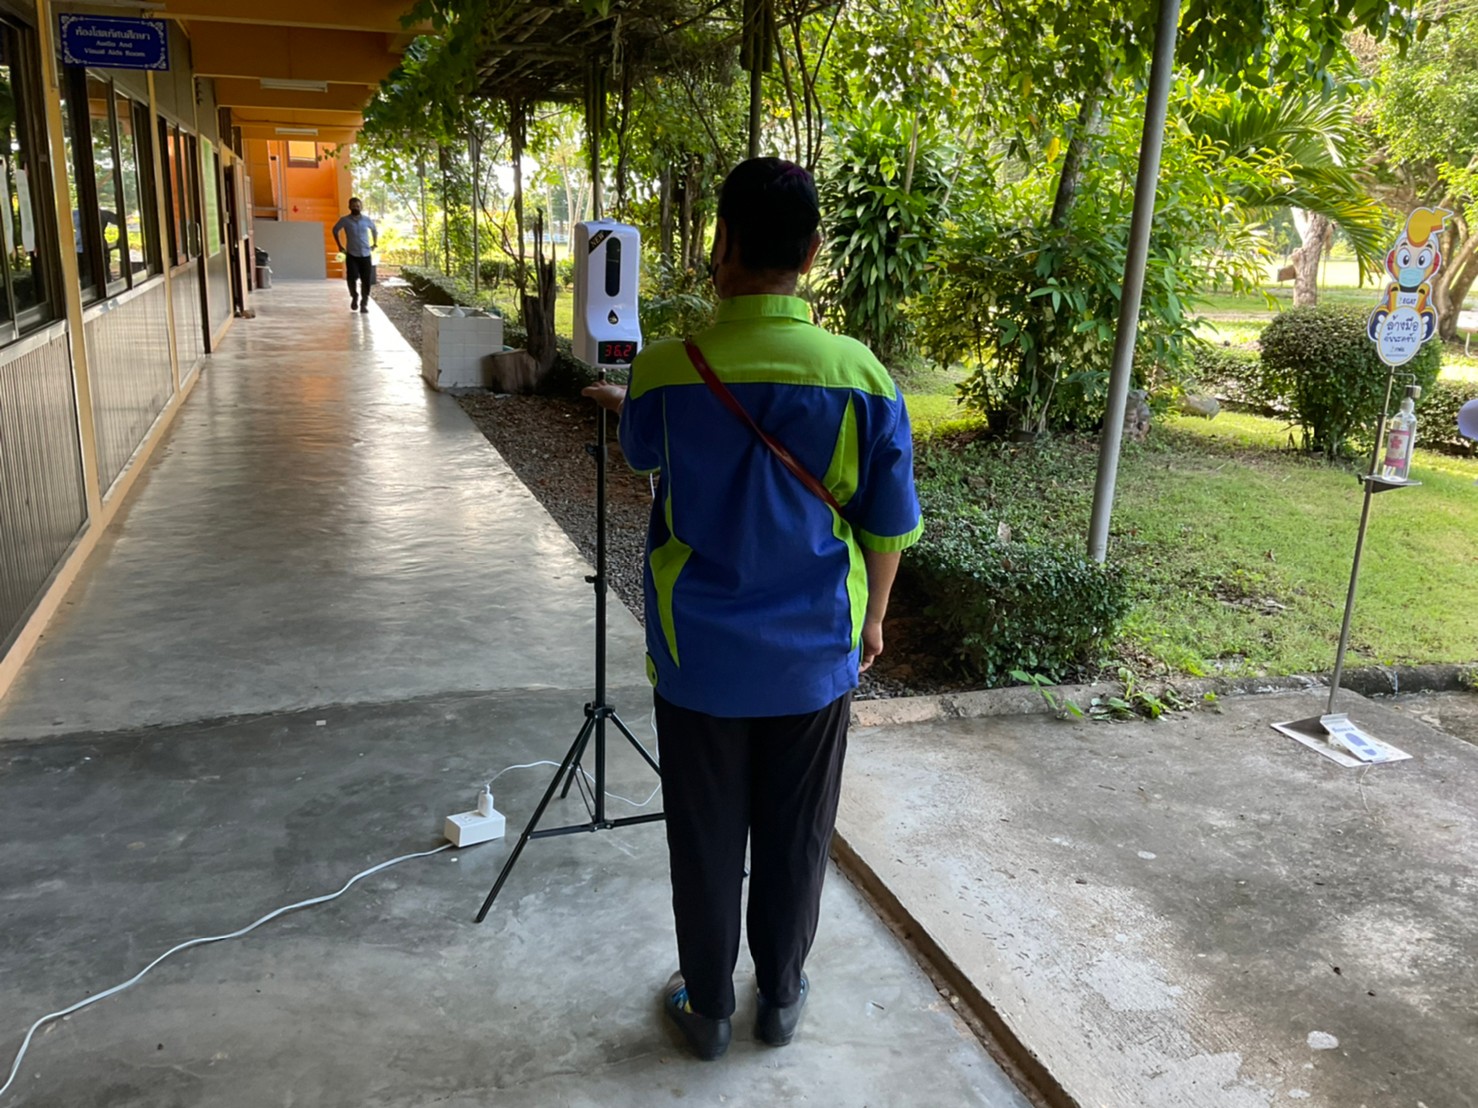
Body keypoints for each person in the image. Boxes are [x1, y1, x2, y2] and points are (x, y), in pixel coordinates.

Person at [582, 157, 921, 1061]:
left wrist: (626, 399)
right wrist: (873, 621)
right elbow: (887, 524)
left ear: (719, 242)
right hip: (813, 656)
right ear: (812, 253)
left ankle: (707, 1010)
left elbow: (644, 453)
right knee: (796, 832)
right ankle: (779, 996)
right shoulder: (863, 377)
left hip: (698, 655)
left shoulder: (664, 370)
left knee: (703, 835)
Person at [332, 197, 377, 313]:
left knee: (366, 280)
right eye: (353, 206)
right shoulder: (345, 220)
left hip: (365, 254)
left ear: (361, 207)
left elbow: (374, 230)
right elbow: (335, 230)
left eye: (357, 206)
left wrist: (375, 243)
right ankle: (354, 296)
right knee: (351, 278)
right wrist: (339, 246)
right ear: (349, 207)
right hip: (352, 255)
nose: (355, 208)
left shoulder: (366, 220)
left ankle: (364, 303)